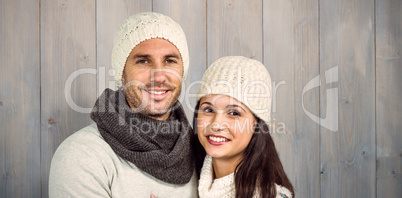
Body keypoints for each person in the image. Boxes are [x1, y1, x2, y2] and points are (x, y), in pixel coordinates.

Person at [49, 12, 198, 197]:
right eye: (143, 61)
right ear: (122, 73)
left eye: (170, 61)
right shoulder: (82, 155)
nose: (159, 76)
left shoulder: (203, 152)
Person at [193, 56, 294, 198]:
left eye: (234, 113)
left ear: (256, 125)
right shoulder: (187, 182)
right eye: (208, 110)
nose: (216, 124)